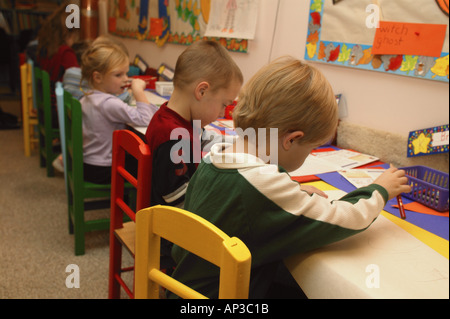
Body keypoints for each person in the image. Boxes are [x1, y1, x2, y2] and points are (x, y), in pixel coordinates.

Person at [168, 56, 412, 299]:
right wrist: (380, 190)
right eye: (312, 147)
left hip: (183, 290)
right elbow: (345, 218)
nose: (309, 153)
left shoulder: (213, 158)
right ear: (291, 139)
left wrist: (296, 195)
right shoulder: (263, 182)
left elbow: (246, 206)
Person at [145, 40, 243, 208]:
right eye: (224, 105)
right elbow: (176, 198)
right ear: (202, 91)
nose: (222, 113)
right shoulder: (172, 136)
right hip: (169, 225)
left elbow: (205, 138)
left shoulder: (176, 120)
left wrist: (243, 145)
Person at [80, 37, 158, 184]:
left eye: (126, 73)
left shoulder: (88, 97)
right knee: (151, 165)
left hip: (88, 165)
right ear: (97, 77)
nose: (125, 79)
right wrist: (138, 91)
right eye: (118, 75)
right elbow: (146, 120)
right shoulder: (109, 103)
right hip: (104, 168)